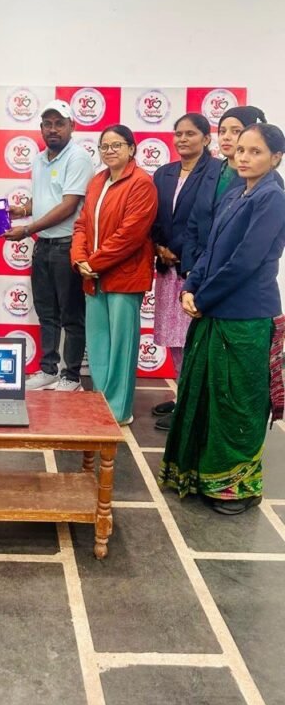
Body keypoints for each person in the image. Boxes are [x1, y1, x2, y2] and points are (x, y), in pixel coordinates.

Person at [159, 124, 285, 515]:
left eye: (255, 151)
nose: (243, 157)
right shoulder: (236, 192)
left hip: (245, 317)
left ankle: (237, 489)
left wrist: (203, 298)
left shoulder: (272, 198)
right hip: (214, 310)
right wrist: (190, 286)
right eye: (241, 150)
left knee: (236, 404)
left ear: (276, 158)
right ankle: (201, 475)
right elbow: (210, 249)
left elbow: (245, 262)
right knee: (207, 397)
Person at [70, 125, 157, 424]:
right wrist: (79, 259)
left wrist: (92, 263)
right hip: (93, 277)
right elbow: (81, 224)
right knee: (98, 343)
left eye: (116, 145)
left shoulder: (142, 183)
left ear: (131, 148)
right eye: (104, 146)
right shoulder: (98, 181)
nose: (109, 151)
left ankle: (119, 411)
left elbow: (130, 236)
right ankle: (100, 403)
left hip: (124, 278)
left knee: (122, 346)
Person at [5, 100, 93, 391]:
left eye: (59, 123)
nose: (53, 129)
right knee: (47, 313)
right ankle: (48, 370)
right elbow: (46, 197)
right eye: (48, 124)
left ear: (72, 126)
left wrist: (27, 229)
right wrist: (22, 210)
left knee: (72, 315)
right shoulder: (40, 159)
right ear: (41, 127)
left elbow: (69, 205)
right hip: (43, 246)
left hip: (67, 246)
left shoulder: (78, 158)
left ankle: (71, 376)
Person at [151, 113, 215, 430]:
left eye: (190, 133)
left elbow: (208, 222)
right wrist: (158, 247)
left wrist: (182, 253)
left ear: (206, 138)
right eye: (178, 134)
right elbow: (153, 216)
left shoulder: (217, 173)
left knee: (192, 339)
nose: (183, 139)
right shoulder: (163, 173)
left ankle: (193, 407)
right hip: (166, 267)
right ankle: (182, 397)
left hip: (195, 270)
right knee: (174, 339)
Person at [182, 105, 270, 275]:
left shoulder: (265, 180)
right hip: (199, 270)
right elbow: (193, 223)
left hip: (235, 274)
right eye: (222, 131)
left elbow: (255, 243)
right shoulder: (210, 170)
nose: (226, 137)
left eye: (236, 131)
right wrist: (190, 268)